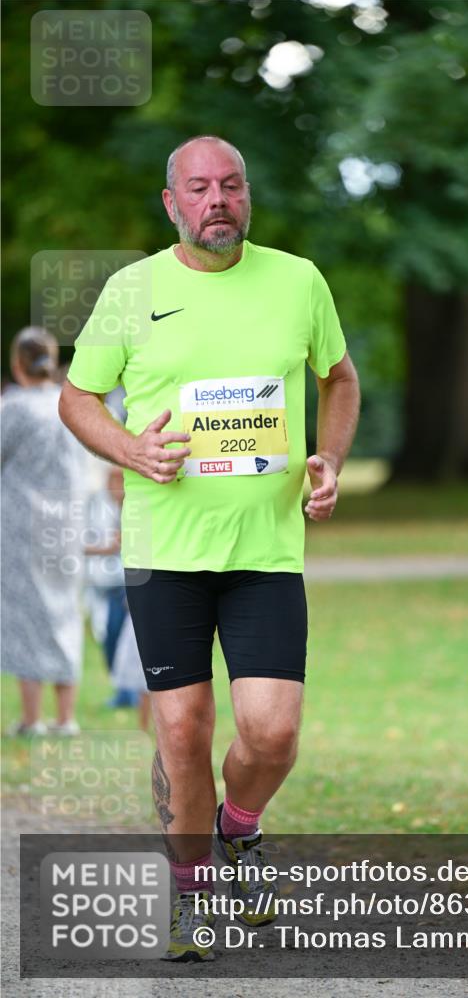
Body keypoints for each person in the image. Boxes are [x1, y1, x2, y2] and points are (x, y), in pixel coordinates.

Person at [59, 135, 360, 962]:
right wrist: (131, 451)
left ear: (247, 195)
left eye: (230, 185)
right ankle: (190, 899)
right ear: (172, 203)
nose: (217, 200)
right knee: (182, 731)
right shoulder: (131, 291)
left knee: (271, 733)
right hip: (165, 551)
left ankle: (240, 828)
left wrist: (328, 459)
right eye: (198, 188)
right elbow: (78, 397)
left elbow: (339, 378)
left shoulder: (298, 280)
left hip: (265, 548)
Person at [1, 327, 84, 737]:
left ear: (18, 364)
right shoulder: (71, 405)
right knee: (65, 612)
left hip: (23, 526)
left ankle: (33, 719)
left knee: (26, 617)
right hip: (67, 522)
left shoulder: (14, 408)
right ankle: (66, 718)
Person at [83, 463, 138, 707]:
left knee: (129, 642)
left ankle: (131, 692)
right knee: (109, 639)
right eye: (112, 481)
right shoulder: (98, 509)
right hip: (106, 587)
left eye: (120, 481)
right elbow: (83, 543)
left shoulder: (138, 509)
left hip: (130, 586)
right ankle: (123, 690)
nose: (116, 487)